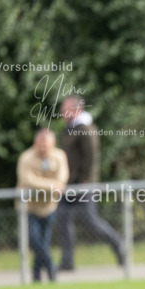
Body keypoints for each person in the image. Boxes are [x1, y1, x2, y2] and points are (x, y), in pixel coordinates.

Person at [54, 96, 124, 270]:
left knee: (90, 221)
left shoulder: (85, 128)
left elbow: (91, 156)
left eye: (65, 108)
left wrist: (86, 180)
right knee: (63, 220)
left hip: (83, 185)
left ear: (76, 109)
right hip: (68, 185)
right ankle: (67, 261)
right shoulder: (68, 129)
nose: (62, 112)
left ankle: (119, 244)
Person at [16, 129, 69, 283]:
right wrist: (52, 185)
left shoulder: (59, 156)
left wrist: (49, 185)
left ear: (53, 144)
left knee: (43, 242)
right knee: (34, 239)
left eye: (46, 145)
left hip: (49, 206)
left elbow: (62, 178)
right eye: (40, 144)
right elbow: (27, 180)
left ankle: (36, 275)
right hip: (29, 207)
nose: (42, 148)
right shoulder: (26, 158)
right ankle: (50, 266)